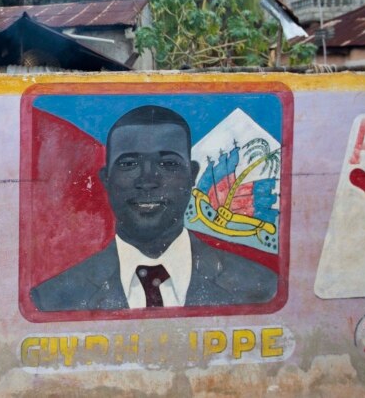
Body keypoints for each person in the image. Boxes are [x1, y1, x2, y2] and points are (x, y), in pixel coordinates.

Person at [30, 105, 277, 311]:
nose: (147, 180)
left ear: (192, 175)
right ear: (107, 179)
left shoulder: (260, 287)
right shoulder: (53, 299)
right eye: (128, 164)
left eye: (168, 163)